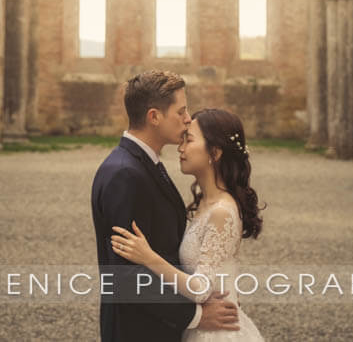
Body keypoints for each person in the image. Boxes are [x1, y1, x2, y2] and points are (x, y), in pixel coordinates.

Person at [91, 71, 242, 342]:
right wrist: (195, 316)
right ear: (154, 117)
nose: (187, 120)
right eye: (181, 111)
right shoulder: (124, 173)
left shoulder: (145, 164)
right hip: (138, 331)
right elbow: (126, 275)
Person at [111, 107, 266, 341]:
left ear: (214, 152)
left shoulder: (222, 211)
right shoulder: (206, 202)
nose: (180, 148)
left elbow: (201, 288)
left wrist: (148, 257)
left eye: (189, 140)